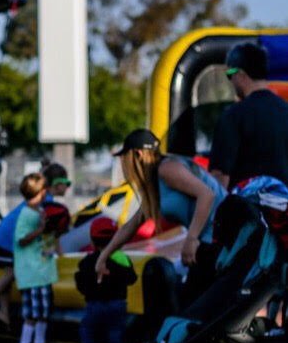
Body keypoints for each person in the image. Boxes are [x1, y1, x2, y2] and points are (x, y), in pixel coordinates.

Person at [96, 129, 226, 308]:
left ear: (139, 154)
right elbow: (131, 226)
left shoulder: (167, 168)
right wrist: (104, 255)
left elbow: (207, 195)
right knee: (188, 303)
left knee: (191, 306)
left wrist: (192, 238)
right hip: (208, 242)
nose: (123, 164)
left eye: (124, 157)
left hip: (219, 239)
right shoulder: (155, 183)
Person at [0, 162, 71, 321]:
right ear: (57, 184)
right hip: (7, 240)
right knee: (12, 271)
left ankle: (4, 312)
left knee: (9, 273)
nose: (68, 188)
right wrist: (61, 253)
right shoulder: (45, 202)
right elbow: (51, 233)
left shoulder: (40, 196)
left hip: (1, 237)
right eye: (67, 183)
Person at [210, 42, 288, 190]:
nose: (231, 81)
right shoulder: (286, 111)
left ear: (241, 75)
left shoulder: (233, 116)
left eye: (230, 74)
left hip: (246, 209)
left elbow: (220, 177)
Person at [75, 217, 137, 343]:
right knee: (115, 333)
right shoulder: (122, 258)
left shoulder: (88, 261)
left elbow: (81, 283)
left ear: (92, 240)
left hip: (93, 305)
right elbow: (132, 279)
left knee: (87, 329)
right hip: (117, 304)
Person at [14, 173, 58, 343]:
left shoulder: (38, 212)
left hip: (41, 271)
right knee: (32, 312)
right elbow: (21, 240)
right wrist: (40, 229)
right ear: (41, 192)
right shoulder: (26, 214)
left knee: (43, 311)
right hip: (32, 272)